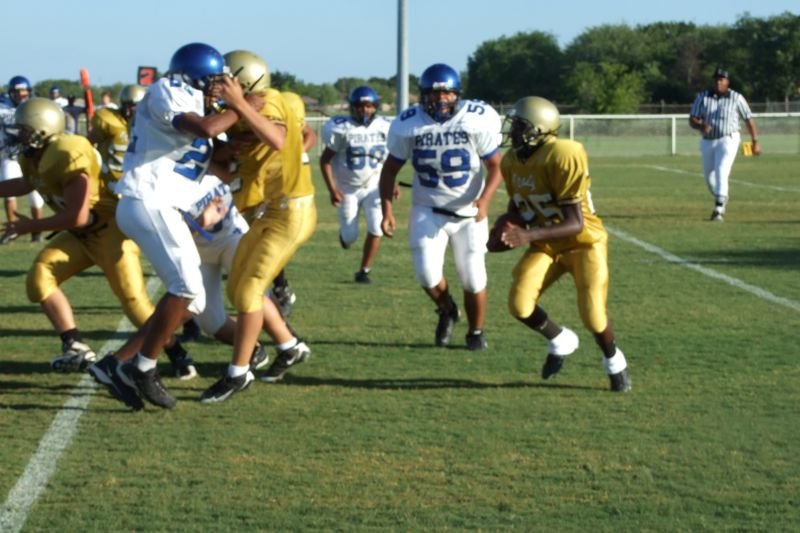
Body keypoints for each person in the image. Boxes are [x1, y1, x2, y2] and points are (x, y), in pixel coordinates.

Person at [111, 42, 249, 409]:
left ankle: (123, 366)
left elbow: (219, 159)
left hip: (164, 205)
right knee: (185, 285)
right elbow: (203, 129)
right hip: (146, 199)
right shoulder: (167, 90)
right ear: (196, 77)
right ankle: (143, 367)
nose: (221, 88)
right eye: (216, 81)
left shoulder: (201, 103)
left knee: (197, 298)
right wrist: (243, 108)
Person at [0, 97, 157, 373]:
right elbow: (28, 183)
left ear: (41, 129)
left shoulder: (65, 153)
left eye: (22, 129)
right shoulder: (32, 156)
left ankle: (179, 356)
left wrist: (28, 227)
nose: (16, 134)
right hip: (80, 236)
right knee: (39, 278)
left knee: (134, 303)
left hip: (109, 232)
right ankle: (75, 345)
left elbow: (78, 216)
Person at [488, 96, 631, 392]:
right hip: (547, 244)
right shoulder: (513, 161)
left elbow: (575, 222)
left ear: (539, 129)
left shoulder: (564, 153)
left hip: (583, 242)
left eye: (519, 126)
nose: (512, 131)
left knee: (593, 314)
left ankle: (614, 360)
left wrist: (526, 236)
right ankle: (560, 338)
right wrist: (503, 229)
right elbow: (519, 207)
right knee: (519, 304)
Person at [198, 49, 316, 403]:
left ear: (243, 80)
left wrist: (240, 107)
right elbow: (233, 163)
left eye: (223, 80)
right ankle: (289, 346)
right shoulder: (241, 112)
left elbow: (280, 138)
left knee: (248, 293)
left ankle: (238, 372)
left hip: (289, 212)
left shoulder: (271, 102)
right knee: (239, 290)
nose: (216, 87)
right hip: (263, 212)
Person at [379, 63, 503, 351]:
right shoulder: (409, 123)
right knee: (426, 274)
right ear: (423, 96)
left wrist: (484, 201)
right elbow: (389, 170)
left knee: (473, 278)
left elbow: (497, 166)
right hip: (428, 208)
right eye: (434, 95)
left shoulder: (475, 119)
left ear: (457, 94)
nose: (441, 100)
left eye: (447, 93)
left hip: (468, 211)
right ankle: (447, 309)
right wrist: (387, 209)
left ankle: (476, 331)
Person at [320, 85, 392, 283]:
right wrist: (332, 189)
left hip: (374, 185)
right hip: (348, 189)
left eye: (369, 106)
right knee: (350, 236)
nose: (365, 110)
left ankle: (364, 271)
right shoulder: (341, 128)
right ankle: (345, 239)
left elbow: (390, 160)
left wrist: (390, 183)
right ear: (352, 107)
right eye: (361, 106)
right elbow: (325, 160)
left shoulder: (384, 127)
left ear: (375, 107)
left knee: (377, 228)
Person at [689, 67, 760, 222]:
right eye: (716, 79)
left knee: (722, 170)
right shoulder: (703, 96)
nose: (718, 82)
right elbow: (692, 118)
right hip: (708, 140)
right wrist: (701, 126)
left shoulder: (736, 97)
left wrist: (755, 141)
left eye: (721, 79)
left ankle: (719, 208)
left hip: (729, 138)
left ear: (728, 82)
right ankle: (722, 196)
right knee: (709, 178)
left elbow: (748, 119)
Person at [0, 75, 45, 243]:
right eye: (17, 91)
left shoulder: (35, 107)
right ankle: (11, 229)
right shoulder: (3, 109)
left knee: (35, 193)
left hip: (31, 156)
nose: (21, 94)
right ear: (11, 93)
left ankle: (37, 230)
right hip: (10, 156)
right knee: (8, 193)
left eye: (24, 91)